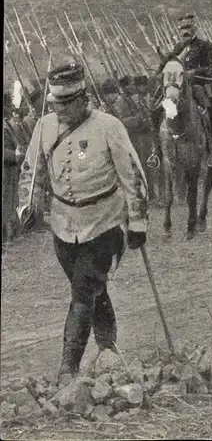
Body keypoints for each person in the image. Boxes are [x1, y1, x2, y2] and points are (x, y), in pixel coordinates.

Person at [17, 63, 149, 387]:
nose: (58, 111)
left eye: (65, 104)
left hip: (104, 224)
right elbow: (31, 173)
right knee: (92, 289)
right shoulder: (45, 128)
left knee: (83, 290)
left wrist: (139, 222)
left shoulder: (109, 127)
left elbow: (133, 176)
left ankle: (67, 368)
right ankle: (108, 347)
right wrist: (27, 207)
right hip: (63, 227)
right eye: (54, 105)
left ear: (83, 99)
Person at [149, 14, 212, 168]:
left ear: (195, 28)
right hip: (177, 88)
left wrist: (194, 72)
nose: (185, 32)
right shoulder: (178, 48)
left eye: (188, 28)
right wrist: (159, 72)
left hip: (197, 85)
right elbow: (165, 64)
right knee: (157, 109)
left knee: (209, 109)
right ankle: (156, 152)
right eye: (182, 29)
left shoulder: (205, 46)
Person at [3, 91, 24, 241]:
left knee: (10, 201)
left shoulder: (7, 127)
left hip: (10, 171)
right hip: (5, 171)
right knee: (5, 201)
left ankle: (11, 233)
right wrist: (14, 155)